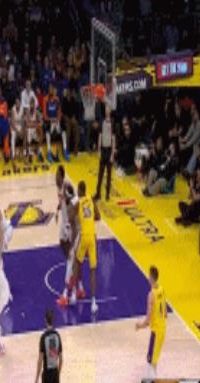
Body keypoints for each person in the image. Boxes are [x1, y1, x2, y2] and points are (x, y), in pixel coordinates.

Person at [69, 181, 100, 314]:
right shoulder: (91, 199)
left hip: (83, 236)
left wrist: (76, 215)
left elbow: (71, 218)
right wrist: (89, 218)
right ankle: (93, 303)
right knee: (92, 270)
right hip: (92, 237)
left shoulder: (78, 202)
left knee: (77, 263)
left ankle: (74, 294)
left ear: (80, 191)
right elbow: (98, 217)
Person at [55, 166, 81, 307]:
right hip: (65, 226)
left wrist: (74, 219)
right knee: (64, 247)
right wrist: (58, 208)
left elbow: (76, 200)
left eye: (57, 175)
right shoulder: (59, 188)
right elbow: (62, 202)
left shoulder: (67, 186)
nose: (55, 178)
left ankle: (68, 293)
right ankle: (77, 286)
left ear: (61, 176)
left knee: (71, 260)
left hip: (72, 227)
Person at [136, 266, 166, 378]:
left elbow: (148, 319)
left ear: (151, 278)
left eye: (149, 276)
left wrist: (139, 325)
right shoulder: (162, 289)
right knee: (154, 360)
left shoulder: (151, 295)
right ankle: (153, 379)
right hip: (163, 329)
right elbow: (165, 313)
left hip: (156, 331)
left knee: (150, 361)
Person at [35, 310, 63, 383]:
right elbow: (61, 359)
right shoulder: (57, 336)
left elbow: (40, 360)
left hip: (47, 374)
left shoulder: (44, 337)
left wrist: (37, 377)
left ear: (45, 320)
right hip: (55, 372)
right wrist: (58, 372)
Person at [43, 86, 68, 163]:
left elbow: (59, 112)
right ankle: (49, 153)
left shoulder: (57, 99)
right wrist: (50, 119)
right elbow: (44, 114)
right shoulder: (45, 99)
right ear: (48, 91)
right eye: (50, 90)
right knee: (47, 132)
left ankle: (65, 150)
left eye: (52, 90)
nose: (51, 91)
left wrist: (58, 119)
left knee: (63, 130)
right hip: (50, 121)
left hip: (56, 121)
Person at [95, 108, 115, 201]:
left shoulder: (113, 123)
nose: (107, 111)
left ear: (110, 111)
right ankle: (98, 193)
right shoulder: (102, 122)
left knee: (109, 174)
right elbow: (100, 136)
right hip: (103, 150)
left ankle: (107, 194)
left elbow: (113, 139)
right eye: (106, 110)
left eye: (108, 110)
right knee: (100, 174)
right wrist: (99, 150)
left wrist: (112, 154)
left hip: (109, 150)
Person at [25, 99, 43, 163]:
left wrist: (37, 125)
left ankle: (39, 152)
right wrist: (35, 124)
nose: (32, 105)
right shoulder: (27, 112)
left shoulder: (37, 112)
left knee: (41, 130)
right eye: (31, 104)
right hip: (30, 129)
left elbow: (41, 122)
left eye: (33, 104)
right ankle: (30, 154)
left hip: (35, 129)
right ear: (29, 105)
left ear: (34, 105)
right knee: (27, 131)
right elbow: (27, 124)